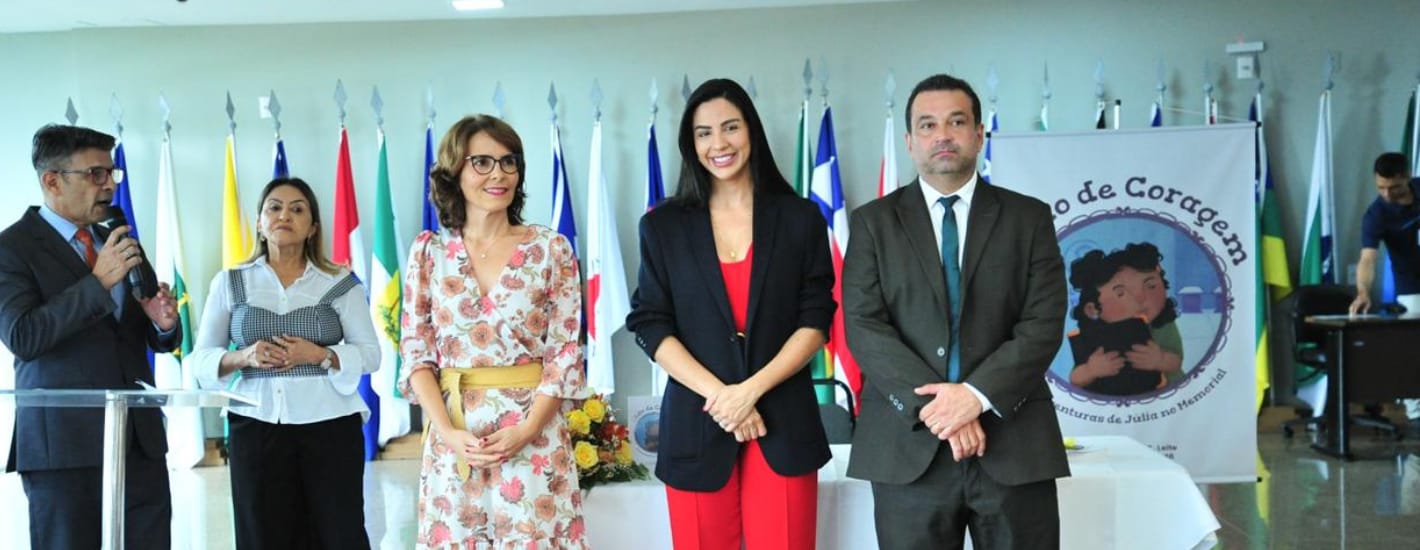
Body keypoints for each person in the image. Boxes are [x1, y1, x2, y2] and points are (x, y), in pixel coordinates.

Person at [842, 74, 1069, 549]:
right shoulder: (873, 224)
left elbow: (1042, 324)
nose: (941, 135)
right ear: (909, 142)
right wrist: (943, 409)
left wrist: (977, 397)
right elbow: (864, 326)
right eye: (927, 125)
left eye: (956, 121)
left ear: (979, 134)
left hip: (1012, 443)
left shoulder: (1029, 218)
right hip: (909, 453)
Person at [626, 78, 834, 550]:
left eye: (730, 127)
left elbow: (816, 316)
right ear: (690, 143)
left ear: (752, 132)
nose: (718, 143)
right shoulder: (662, 226)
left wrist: (750, 392)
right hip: (699, 421)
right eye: (703, 133)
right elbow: (650, 322)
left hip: (781, 420)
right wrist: (724, 398)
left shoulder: (800, 218)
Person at [400, 114, 589, 549]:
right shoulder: (428, 253)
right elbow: (416, 353)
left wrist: (525, 431)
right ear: (455, 170)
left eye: (509, 162)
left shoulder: (551, 249)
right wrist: (448, 434)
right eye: (481, 162)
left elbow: (564, 354)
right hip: (456, 439)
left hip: (533, 436)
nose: (499, 174)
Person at [0, 124, 180, 549]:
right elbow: (23, 335)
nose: (108, 186)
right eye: (95, 174)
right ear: (52, 180)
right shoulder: (12, 248)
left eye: (111, 174)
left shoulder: (115, 238)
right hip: (62, 447)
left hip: (138, 440)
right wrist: (96, 284)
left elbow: (152, 336)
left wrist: (163, 324)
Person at [189, 177, 380, 549]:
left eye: (297, 209)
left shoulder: (340, 282)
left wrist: (321, 354)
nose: (284, 216)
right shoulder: (230, 283)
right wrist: (243, 356)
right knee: (261, 533)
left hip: (330, 425)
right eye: (274, 207)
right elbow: (199, 361)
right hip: (256, 425)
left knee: (339, 533)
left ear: (313, 227)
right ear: (259, 223)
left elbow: (372, 354)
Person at [1349, 151, 1420, 425]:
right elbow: (1368, 258)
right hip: (1412, 287)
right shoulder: (1376, 214)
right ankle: (1416, 414)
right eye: (1380, 188)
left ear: (1408, 177)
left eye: (1394, 188)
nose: (1387, 194)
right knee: (1414, 349)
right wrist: (1363, 290)